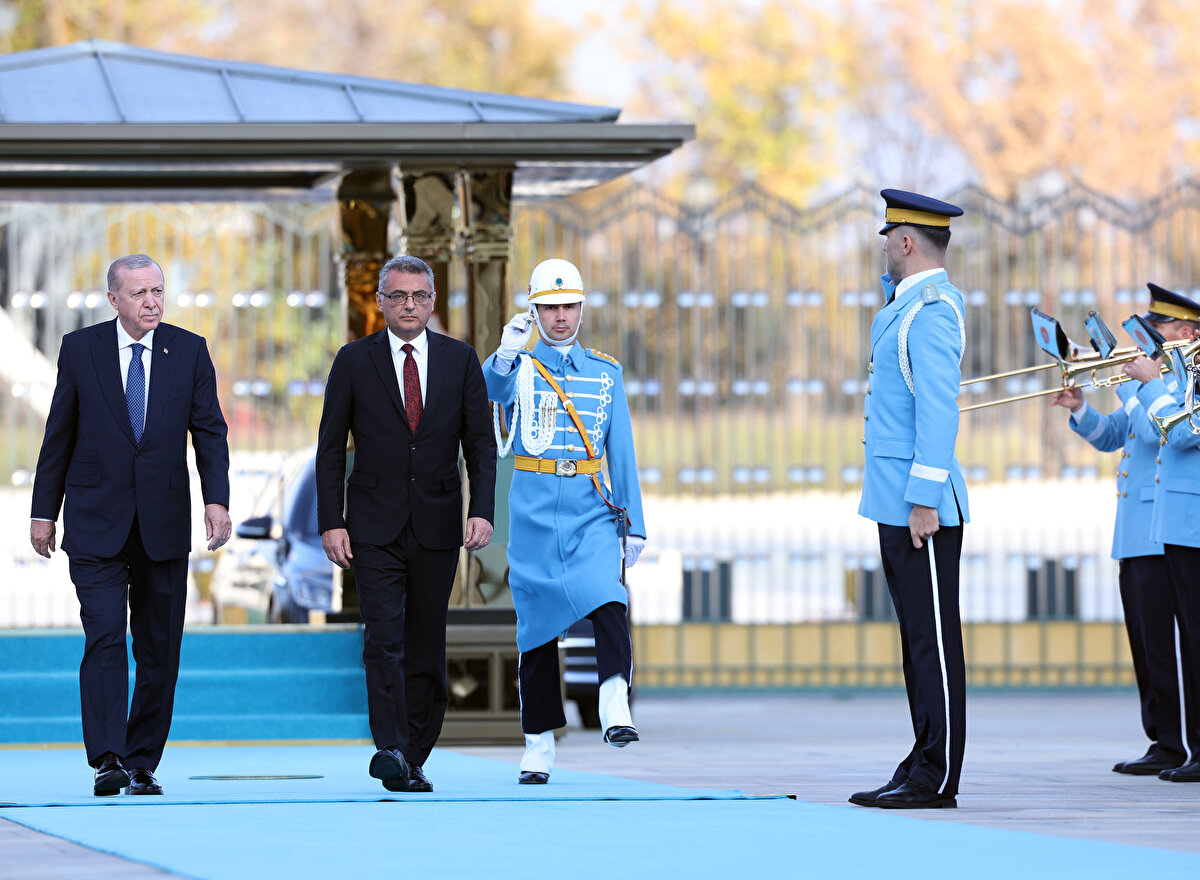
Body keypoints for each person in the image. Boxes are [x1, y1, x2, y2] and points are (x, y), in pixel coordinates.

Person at [29, 253, 232, 797]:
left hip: (163, 523)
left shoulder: (188, 350)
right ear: (113, 297)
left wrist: (217, 501)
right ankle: (107, 759)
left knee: (159, 648)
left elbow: (209, 431)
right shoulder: (81, 349)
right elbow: (60, 434)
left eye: (158, 291)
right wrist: (43, 510)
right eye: (140, 293)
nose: (152, 302)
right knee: (104, 639)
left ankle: (142, 760)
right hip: (96, 521)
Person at [316, 254, 496, 794]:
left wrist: (481, 509)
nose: (409, 305)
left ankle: (417, 750)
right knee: (383, 640)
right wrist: (332, 521)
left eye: (418, 296)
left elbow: (480, 446)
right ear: (381, 302)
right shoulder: (353, 361)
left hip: (439, 524)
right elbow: (329, 449)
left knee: (425, 640)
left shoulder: (460, 360)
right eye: (398, 296)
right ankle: (390, 746)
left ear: (433, 300)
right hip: (371, 525)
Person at [484, 258, 646, 784]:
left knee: (608, 597)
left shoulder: (606, 371)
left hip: (590, 507)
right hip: (532, 511)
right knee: (535, 632)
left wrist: (635, 524)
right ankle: (538, 746)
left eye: (568, 306)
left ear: (581, 307)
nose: (560, 317)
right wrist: (507, 353)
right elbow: (489, 393)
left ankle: (614, 701)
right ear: (534, 310)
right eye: (549, 308)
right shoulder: (521, 366)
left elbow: (621, 451)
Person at [852, 190, 969, 809]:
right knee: (914, 638)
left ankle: (938, 775)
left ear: (904, 242)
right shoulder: (907, 307)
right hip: (895, 501)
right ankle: (922, 756)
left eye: (888, 241)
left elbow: (937, 412)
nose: (885, 252)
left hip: (920, 507)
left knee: (933, 643)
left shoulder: (932, 313)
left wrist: (924, 499)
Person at [1051, 284, 1196, 777]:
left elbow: (1166, 428)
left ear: (1187, 334)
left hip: (1167, 530)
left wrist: (1136, 384)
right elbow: (1114, 435)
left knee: (1175, 644)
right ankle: (1163, 738)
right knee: (1146, 641)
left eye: (1159, 330)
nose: (1150, 338)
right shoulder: (1153, 385)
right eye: (1148, 330)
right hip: (1136, 528)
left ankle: (1182, 741)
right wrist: (1079, 409)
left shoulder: (1177, 386)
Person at [1123, 287, 1200, 782]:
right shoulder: (1183, 375)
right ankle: (1185, 746)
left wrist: (1146, 385)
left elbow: (1182, 430)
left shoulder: (1187, 376)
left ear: (1190, 334)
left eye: (1165, 328)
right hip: (1175, 525)